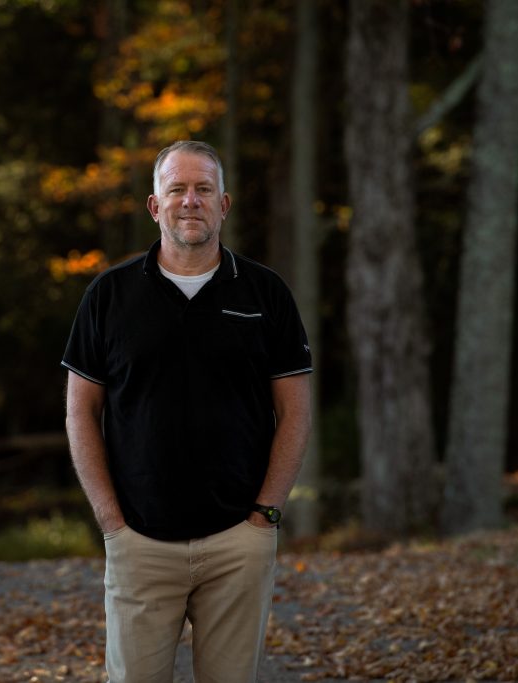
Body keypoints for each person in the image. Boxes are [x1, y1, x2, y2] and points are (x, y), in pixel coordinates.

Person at [62, 140, 312, 682]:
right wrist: (111, 523)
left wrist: (264, 516)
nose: (190, 200)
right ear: (156, 206)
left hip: (237, 543)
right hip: (140, 544)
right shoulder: (109, 295)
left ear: (224, 204)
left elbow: (294, 413)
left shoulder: (267, 294)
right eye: (177, 189)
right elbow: (80, 413)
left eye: (204, 189)